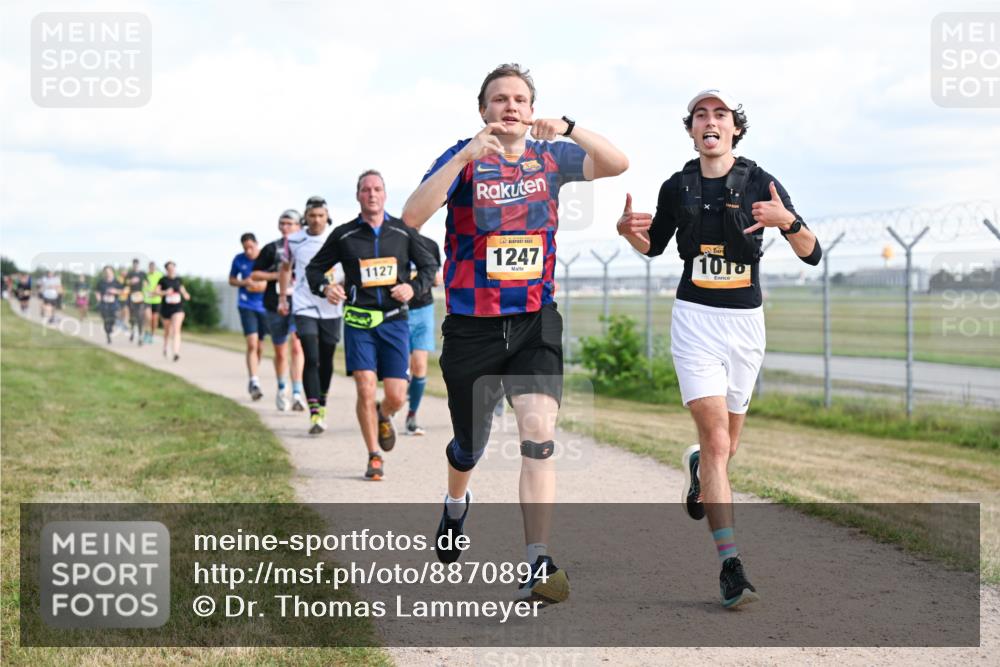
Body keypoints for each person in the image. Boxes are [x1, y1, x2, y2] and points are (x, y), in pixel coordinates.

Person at [401, 63, 628, 603]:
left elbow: (617, 162)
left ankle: (537, 560)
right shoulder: (462, 157)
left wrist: (569, 127)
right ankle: (456, 504)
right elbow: (411, 216)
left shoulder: (551, 156)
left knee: (538, 434)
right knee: (469, 446)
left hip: (534, 320)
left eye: (520, 99)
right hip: (472, 328)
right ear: (483, 110)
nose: (510, 106)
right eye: (499, 99)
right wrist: (463, 157)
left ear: (531, 109)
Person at [616, 89, 823, 609]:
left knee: (726, 449)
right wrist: (627, 234)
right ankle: (731, 565)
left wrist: (788, 222)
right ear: (691, 130)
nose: (710, 121)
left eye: (721, 114)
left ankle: (698, 471)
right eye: (701, 115)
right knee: (714, 441)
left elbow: (812, 254)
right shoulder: (677, 186)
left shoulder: (760, 182)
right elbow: (654, 245)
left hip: (745, 325)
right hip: (694, 321)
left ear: (735, 129)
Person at [307, 170, 438, 481]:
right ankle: (374, 456)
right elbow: (314, 269)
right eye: (366, 190)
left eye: (377, 189)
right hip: (359, 322)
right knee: (365, 386)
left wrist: (413, 287)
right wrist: (326, 288)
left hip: (394, 322)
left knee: (397, 395)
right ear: (358, 196)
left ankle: (384, 414)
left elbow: (429, 265)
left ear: (385, 194)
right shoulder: (344, 235)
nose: (372, 194)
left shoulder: (402, 232)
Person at [278, 196, 343, 435]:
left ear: (327, 217)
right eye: (312, 216)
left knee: (326, 358)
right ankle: (314, 411)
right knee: (311, 355)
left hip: (331, 306)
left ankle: (322, 402)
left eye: (320, 216)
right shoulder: (294, 240)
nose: (316, 220)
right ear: (305, 218)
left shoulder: (338, 238)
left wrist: (343, 288)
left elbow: (348, 268)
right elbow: (285, 268)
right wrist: (283, 297)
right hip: (304, 304)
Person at [252, 210, 308, 412]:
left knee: (297, 347)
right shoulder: (271, 249)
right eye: (282, 223)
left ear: (299, 226)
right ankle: (282, 388)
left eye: (289, 224)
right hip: (274, 303)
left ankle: (297, 393)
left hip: (300, 303)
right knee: (281, 351)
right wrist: (278, 275)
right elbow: (255, 274)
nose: (285, 227)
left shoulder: (305, 247)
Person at [403, 232, 443, 435]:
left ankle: (412, 416)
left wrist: (430, 277)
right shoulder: (392, 241)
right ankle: (390, 405)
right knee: (401, 368)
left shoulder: (430, 244)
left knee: (419, 365)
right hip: (396, 312)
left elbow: (436, 279)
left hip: (423, 309)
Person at [230, 233, 271, 401]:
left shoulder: (267, 257)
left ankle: (254, 372)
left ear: (257, 244)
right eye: (245, 248)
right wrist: (243, 283)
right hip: (246, 305)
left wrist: (263, 285)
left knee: (260, 346)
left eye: (251, 247)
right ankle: (254, 381)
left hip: (265, 306)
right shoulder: (238, 259)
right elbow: (232, 280)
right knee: (252, 343)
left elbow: (277, 277)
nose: (248, 251)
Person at [155, 261, 191, 361]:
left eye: (173, 268)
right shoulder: (162, 280)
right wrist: (165, 292)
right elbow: (156, 292)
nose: (171, 270)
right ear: (166, 270)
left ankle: (176, 352)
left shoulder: (179, 279)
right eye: (169, 268)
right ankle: (165, 346)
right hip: (166, 308)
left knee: (176, 329)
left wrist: (185, 294)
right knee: (167, 331)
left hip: (178, 308)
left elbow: (182, 289)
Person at [95, 266, 123, 344]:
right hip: (104, 303)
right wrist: (99, 299)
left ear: (112, 272)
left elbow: (122, 291)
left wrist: (115, 291)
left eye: (109, 272)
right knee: (106, 320)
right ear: (104, 273)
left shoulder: (116, 282)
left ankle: (111, 327)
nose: (107, 273)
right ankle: (108, 335)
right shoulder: (101, 282)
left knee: (114, 317)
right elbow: (97, 292)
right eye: (106, 272)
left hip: (114, 303)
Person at [124, 259, 147, 344]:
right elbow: (125, 283)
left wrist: (145, 284)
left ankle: (140, 336)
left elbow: (147, 283)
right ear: (133, 265)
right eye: (134, 264)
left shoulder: (142, 273)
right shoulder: (130, 274)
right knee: (132, 316)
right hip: (131, 296)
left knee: (140, 316)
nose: (135, 266)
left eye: (137, 264)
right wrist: (131, 281)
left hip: (140, 296)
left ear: (138, 265)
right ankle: (132, 331)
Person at [143, 261, 163, 345]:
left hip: (156, 300)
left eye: (153, 267)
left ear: (155, 268)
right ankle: (146, 333)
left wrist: (156, 293)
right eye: (151, 267)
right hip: (147, 300)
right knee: (148, 317)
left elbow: (162, 286)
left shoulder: (160, 275)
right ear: (149, 267)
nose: (152, 269)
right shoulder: (145, 275)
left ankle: (152, 335)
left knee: (154, 319)